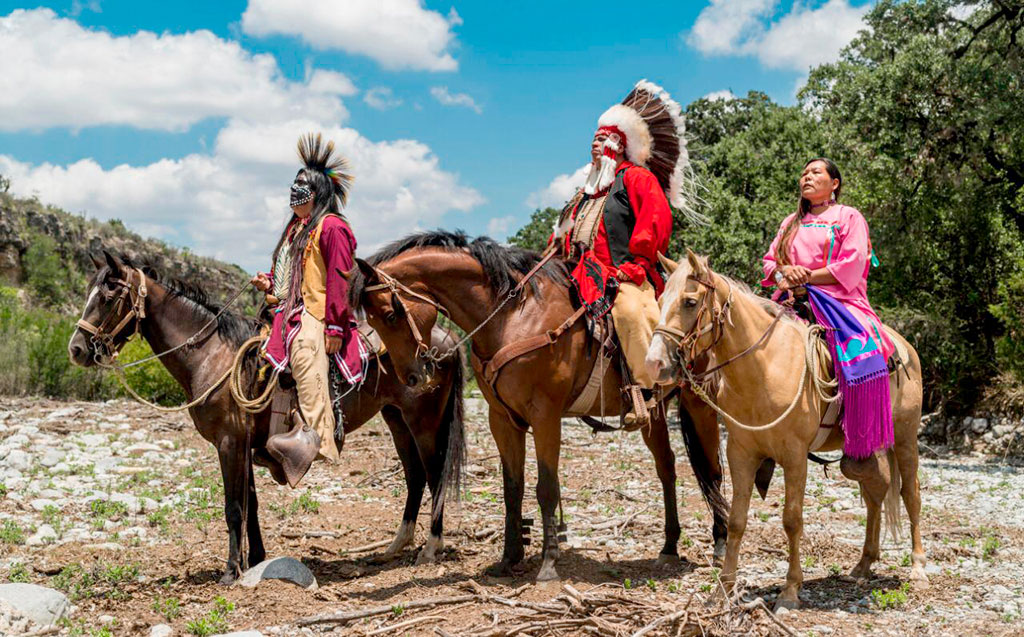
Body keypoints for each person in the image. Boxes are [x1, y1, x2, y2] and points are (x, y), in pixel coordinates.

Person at [552, 80, 705, 425]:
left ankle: (648, 390)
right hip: (578, 272)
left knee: (632, 312)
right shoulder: (588, 190)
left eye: (601, 140)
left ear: (618, 145)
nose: (594, 146)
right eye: (593, 140)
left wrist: (636, 264)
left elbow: (655, 223)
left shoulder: (638, 178)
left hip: (624, 273)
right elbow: (565, 233)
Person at [762, 158, 894, 482]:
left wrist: (805, 276)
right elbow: (769, 262)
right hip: (791, 298)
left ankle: (860, 445)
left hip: (839, 299)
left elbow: (853, 262)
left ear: (834, 183)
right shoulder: (791, 222)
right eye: (804, 172)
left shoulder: (849, 217)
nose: (807, 176)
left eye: (815, 172)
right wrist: (783, 273)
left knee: (863, 353)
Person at [250, 133, 367, 486]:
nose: (294, 189)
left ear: (316, 193)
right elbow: (286, 271)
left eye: (302, 185)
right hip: (286, 309)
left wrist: (334, 327)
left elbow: (339, 278)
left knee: (303, 351)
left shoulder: (331, 227)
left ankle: (317, 439)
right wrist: (269, 283)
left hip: (316, 313)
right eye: (294, 183)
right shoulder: (296, 228)